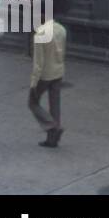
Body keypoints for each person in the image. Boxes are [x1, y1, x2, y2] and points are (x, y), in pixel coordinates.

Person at [29, 18, 66, 148]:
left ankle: (53, 126)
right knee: (55, 105)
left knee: (32, 103)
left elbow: (38, 63)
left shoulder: (40, 34)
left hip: (45, 75)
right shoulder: (61, 29)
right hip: (58, 71)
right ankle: (52, 140)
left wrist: (34, 82)